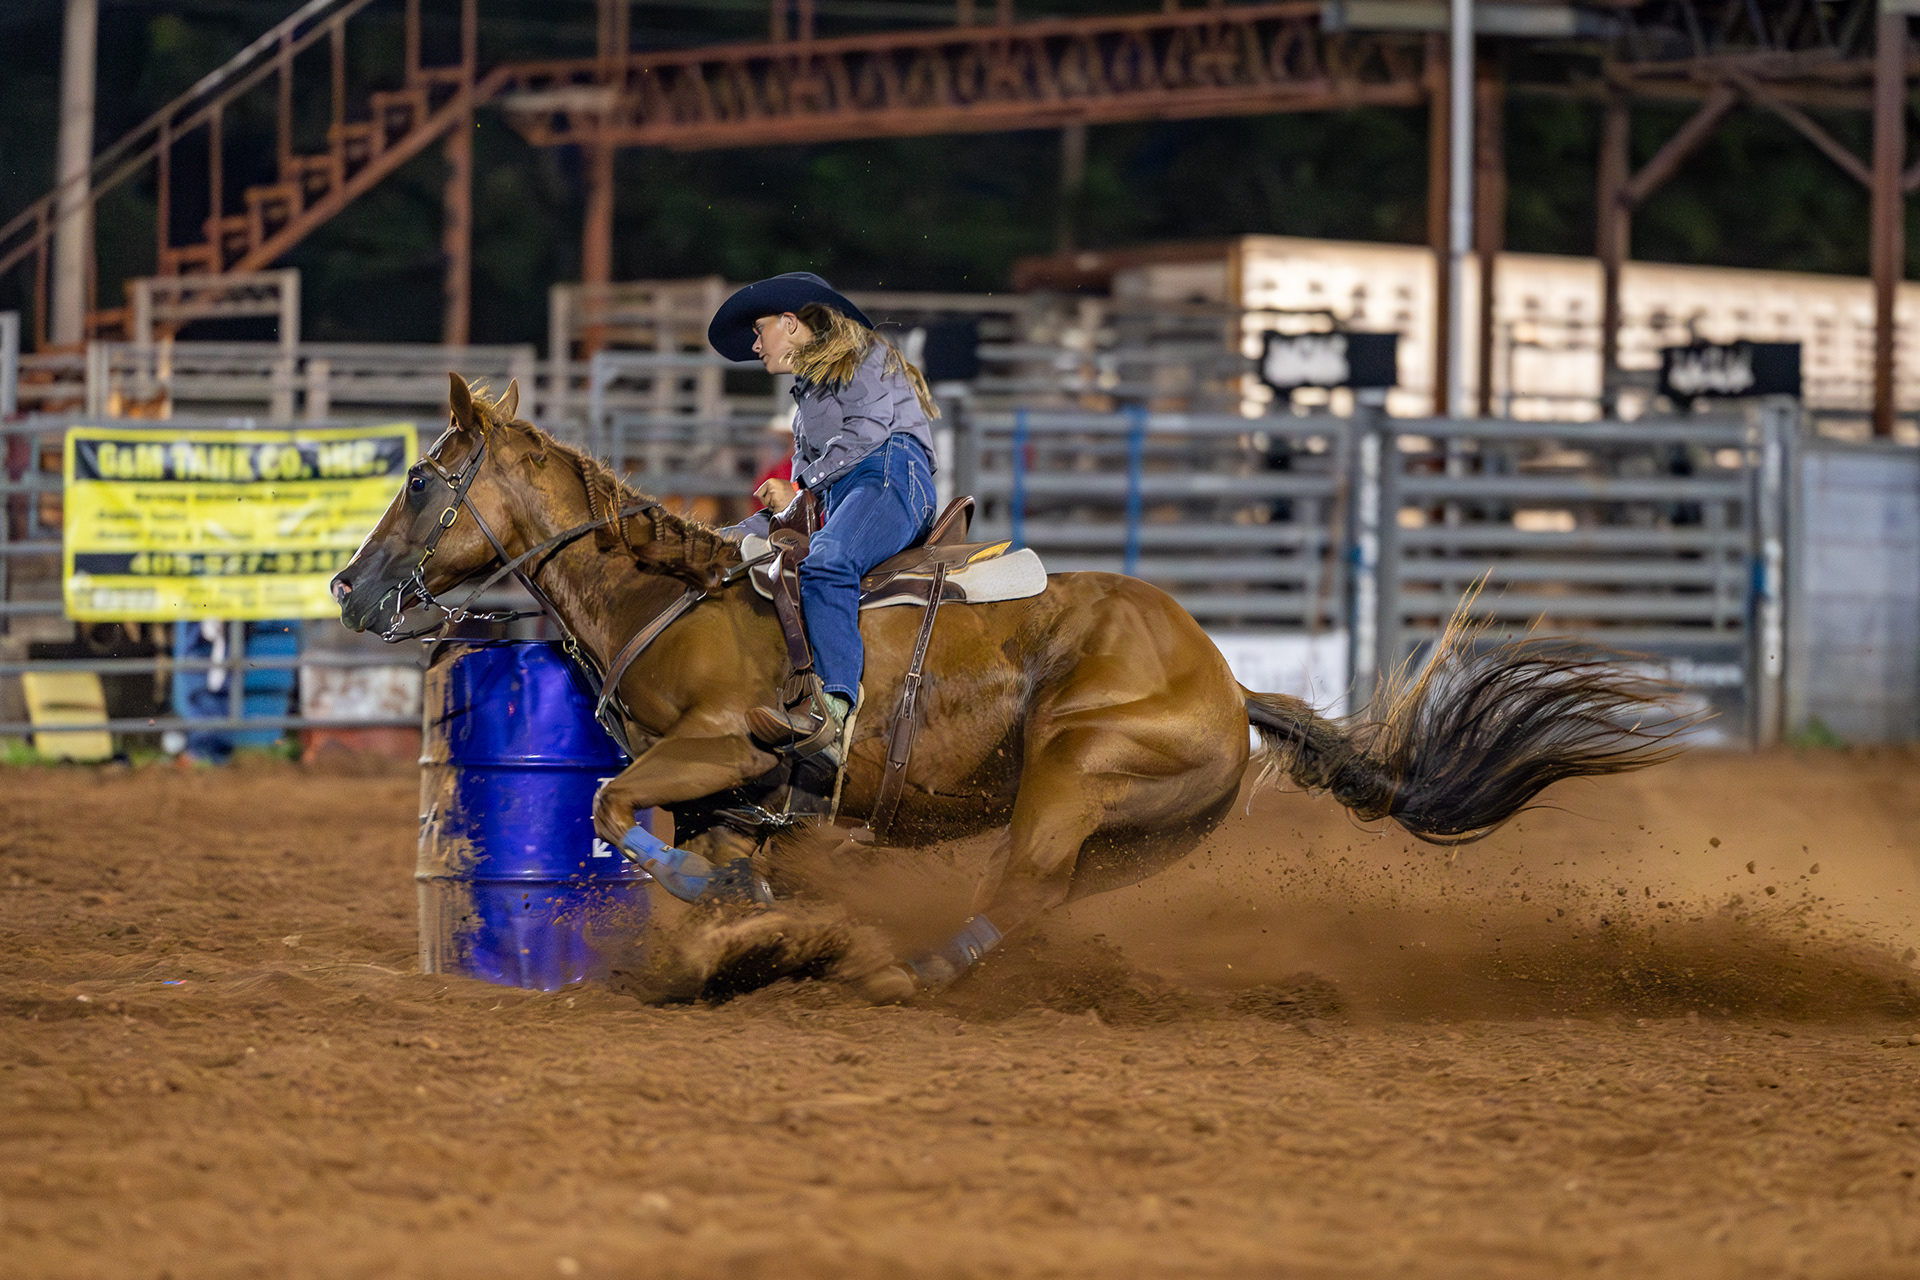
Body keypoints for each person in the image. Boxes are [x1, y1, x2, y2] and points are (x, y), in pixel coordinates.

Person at [708, 273, 940, 767]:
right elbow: (803, 500)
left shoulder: (863, 357)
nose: (755, 344)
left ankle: (832, 711)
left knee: (829, 559)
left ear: (790, 324)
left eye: (760, 330)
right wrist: (723, 538)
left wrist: (801, 487)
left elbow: (869, 433)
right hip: (847, 491)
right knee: (738, 552)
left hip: (891, 475)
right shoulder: (806, 406)